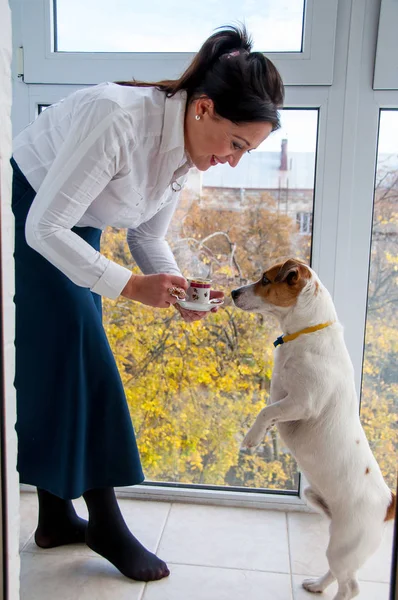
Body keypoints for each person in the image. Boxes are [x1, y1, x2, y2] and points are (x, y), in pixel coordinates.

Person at [11, 24, 284, 582]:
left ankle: (55, 517)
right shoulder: (118, 118)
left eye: (247, 152)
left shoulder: (188, 153)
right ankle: (105, 522)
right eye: (236, 144)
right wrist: (132, 287)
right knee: (86, 363)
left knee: (61, 366)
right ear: (204, 108)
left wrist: (176, 284)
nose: (234, 161)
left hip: (70, 227)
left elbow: (145, 236)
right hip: (23, 217)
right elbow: (43, 225)